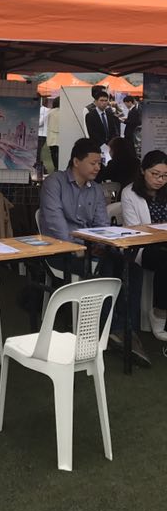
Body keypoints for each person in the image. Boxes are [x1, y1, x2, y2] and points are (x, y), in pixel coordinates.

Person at [39, 137, 149, 366]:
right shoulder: (54, 183)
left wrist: (102, 244)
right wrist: (81, 247)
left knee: (132, 268)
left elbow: (102, 224)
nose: (98, 167)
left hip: (92, 248)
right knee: (106, 269)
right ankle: (113, 329)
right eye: (93, 163)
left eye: (99, 163)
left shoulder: (96, 189)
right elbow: (55, 225)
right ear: (76, 162)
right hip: (60, 251)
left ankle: (126, 329)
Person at [121, 151, 167, 341]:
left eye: (165, 176)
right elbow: (135, 229)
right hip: (143, 247)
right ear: (142, 171)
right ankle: (160, 313)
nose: (160, 180)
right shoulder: (130, 193)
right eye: (155, 174)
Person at [46, 96, 60, 170]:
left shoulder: (50, 112)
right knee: (60, 153)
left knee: (53, 153)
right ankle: (59, 167)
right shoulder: (64, 112)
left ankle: (55, 167)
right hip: (61, 136)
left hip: (51, 136)